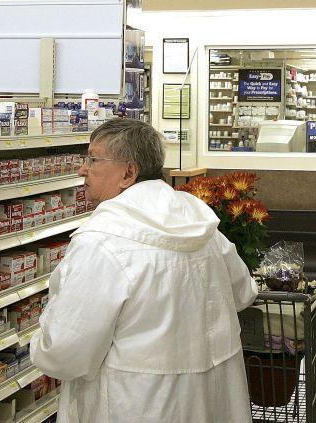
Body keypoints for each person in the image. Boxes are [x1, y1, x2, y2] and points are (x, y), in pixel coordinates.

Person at [30, 118, 259, 423]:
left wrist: (39, 342)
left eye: (93, 160)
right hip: (210, 401)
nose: (82, 170)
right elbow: (243, 292)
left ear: (128, 172)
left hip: (135, 404)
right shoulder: (200, 224)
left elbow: (65, 352)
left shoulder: (103, 242)